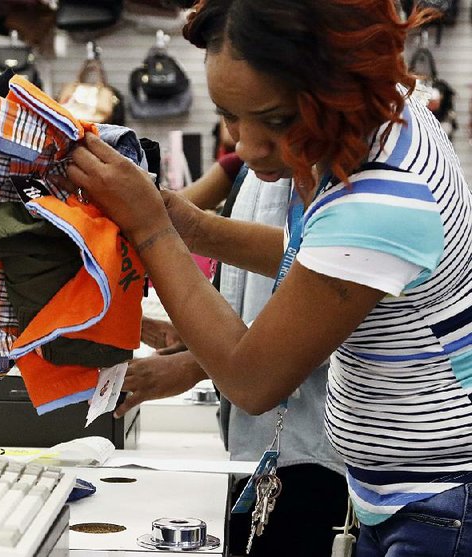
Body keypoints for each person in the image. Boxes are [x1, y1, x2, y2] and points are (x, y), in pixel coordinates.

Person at [55, 1, 472, 556]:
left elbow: (252, 381)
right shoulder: (388, 117)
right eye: (230, 116)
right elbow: (324, 264)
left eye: (276, 121)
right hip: (403, 494)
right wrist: (195, 228)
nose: (248, 149)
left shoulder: (381, 193)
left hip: (437, 505)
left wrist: (153, 230)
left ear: (335, 85)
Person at [130, 165, 348, 557]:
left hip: (312, 450)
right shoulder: (255, 173)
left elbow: (327, 310)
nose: (243, 144)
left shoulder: (342, 177)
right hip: (264, 447)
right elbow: (266, 285)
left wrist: (196, 363)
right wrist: (195, 340)